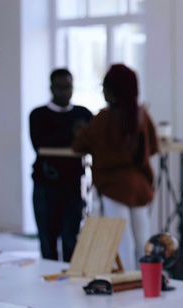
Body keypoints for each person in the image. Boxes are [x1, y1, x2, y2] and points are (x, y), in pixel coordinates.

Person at [72, 64, 159, 271]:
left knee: (121, 239)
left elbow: (79, 145)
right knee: (143, 239)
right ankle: (147, 281)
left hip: (113, 186)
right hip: (139, 185)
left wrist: (80, 131)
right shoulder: (142, 116)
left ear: (111, 90)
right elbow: (154, 146)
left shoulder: (104, 118)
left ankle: (126, 280)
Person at [30, 68, 93, 262]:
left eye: (69, 87)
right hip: (46, 185)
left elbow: (93, 141)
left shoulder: (83, 113)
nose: (65, 92)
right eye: (60, 87)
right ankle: (48, 286)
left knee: (70, 239)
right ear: (51, 88)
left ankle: (68, 284)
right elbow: (39, 144)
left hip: (73, 185)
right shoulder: (38, 115)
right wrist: (72, 133)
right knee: (47, 241)